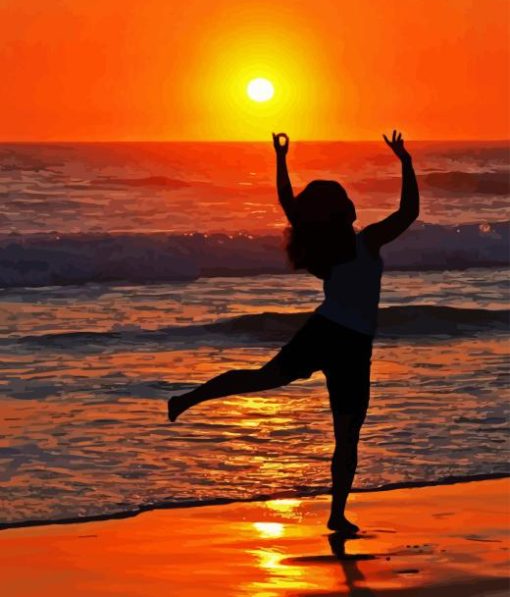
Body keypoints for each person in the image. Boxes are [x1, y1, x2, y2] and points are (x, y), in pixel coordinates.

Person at [168, 130, 419, 534]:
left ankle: (187, 398)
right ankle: (336, 514)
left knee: (266, 381)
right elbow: (408, 213)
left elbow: (289, 204)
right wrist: (405, 162)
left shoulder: (330, 247)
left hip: (325, 333)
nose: (354, 202)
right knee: (347, 435)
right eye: (346, 199)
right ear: (343, 211)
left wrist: (281, 158)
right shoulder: (365, 243)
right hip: (350, 344)